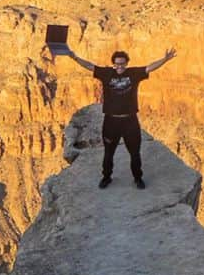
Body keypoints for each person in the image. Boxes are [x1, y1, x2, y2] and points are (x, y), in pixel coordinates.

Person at [50, 44, 177, 189]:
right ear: (113, 64)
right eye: (117, 64)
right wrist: (74, 57)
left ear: (127, 63)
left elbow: (150, 67)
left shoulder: (134, 73)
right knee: (109, 152)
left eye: (122, 64)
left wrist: (165, 59)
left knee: (135, 153)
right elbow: (90, 66)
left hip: (130, 120)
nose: (119, 67)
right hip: (111, 121)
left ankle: (138, 178)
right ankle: (106, 177)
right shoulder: (106, 73)